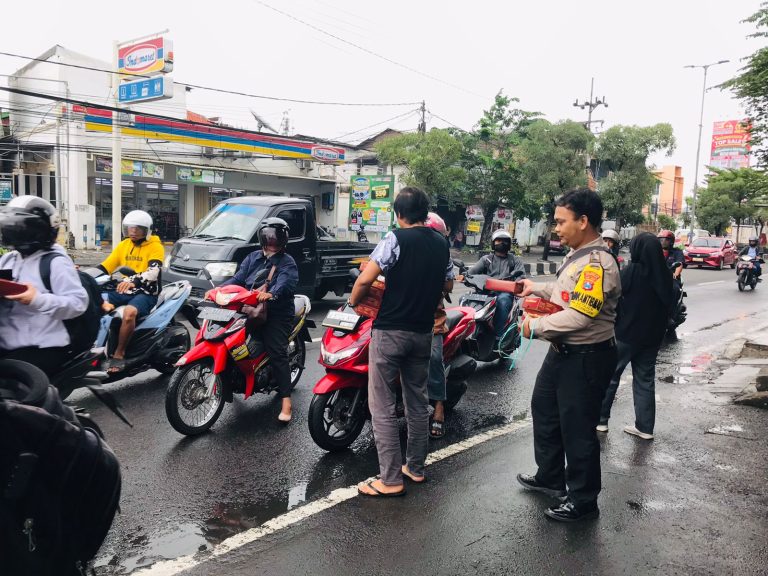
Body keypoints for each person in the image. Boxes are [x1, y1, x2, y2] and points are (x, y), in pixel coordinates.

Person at [516, 187, 621, 522]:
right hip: (562, 353)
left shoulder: (596, 264)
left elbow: (580, 316)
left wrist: (534, 326)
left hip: (586, 357)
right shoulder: (577, 255)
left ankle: (583, 500)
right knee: (544, 409)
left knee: (577, 429)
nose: (556, 228)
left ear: (583, 221)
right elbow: (566, 293)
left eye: (561, 222)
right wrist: (537, 288)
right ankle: (550, 476)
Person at [349, 187, 451, 497]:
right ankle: (415, 468)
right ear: (425, 212)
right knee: (417, 403)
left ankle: (390, 479)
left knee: (381, 405)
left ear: (398, 214)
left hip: (391, 331)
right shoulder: (442, 243)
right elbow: (447, 284)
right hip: (423, 332)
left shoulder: (395, 238)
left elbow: (366, 278)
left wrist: (354, 301)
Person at [217, 217, 298, 422]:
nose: (272, 241)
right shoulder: (253, 257)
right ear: (262, 238)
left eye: (276, 237)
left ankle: (286, 402)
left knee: (277, 352)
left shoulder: (287, 262)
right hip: (249, 309)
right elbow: (238, 279)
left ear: (283, 239)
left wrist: (271, 294)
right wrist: (219, 290)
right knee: (226, 340)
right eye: (268, 237)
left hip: (277, 314)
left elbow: (285, 283)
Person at [0, 196, 88, 377]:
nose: (15, 233)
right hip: (7, 343)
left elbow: (78, 303)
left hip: (41, 347)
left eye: (21, 228)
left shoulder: (55, 262)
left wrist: (37, 299)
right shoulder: (9, 259)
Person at [597, 233, 673, 440]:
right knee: (645, 379)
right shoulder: (665, 274)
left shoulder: (631, 271)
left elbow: (614, 298)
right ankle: (645, 427)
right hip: (653, 338)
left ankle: (601, 420)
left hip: (626, 335)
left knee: (611, 376)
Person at [99, 210, 165, 373]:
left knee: (129, 313)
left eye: (138, 228)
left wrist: (133, 281)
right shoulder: (124, 245)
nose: (133, 231)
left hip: (146, 291)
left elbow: (153, 272)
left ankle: (119, 353)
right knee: (95, 300)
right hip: (124, 289)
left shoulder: (156, 246)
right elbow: (105, 267)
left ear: (147, 230)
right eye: (130, 227)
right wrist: (84, 276)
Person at [424, 212, 454, 439]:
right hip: (401, 314)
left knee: (434, 357)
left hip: (431, 316)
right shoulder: (401, 246)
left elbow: (449, 284)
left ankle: (439, 407)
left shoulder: (443, 255)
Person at [468, 229, 526, 345]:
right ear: (493, 243)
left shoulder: (514, 260)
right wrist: (465, 276)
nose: (501, 243)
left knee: (503, 301)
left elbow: (521, 277)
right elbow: (471, 272)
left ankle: (499, 336)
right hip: (486, 292)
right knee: (466, 299)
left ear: (509, 244)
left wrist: (516, 283)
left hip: (505, 293)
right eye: (498, 241)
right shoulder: (486, 260)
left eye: (505, 241)